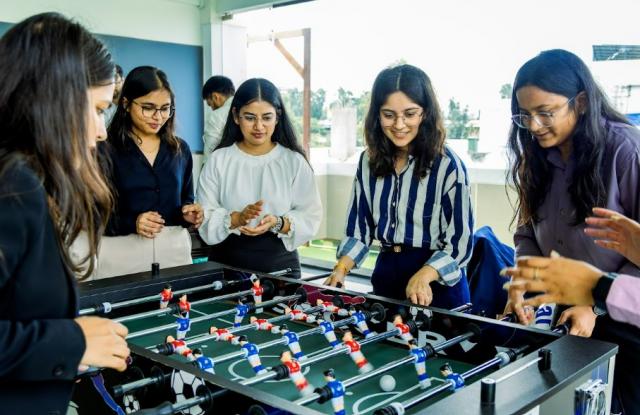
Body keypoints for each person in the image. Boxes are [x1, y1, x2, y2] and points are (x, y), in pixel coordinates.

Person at [0, 13, 130, 413]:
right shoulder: (13, 186)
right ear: (56, 101)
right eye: (98, 109)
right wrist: (74, 341)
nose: (102, 131)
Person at [504, 49, 640, 415]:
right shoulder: (535, 157)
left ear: (580, 102)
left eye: (545, 112)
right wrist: (525, 280)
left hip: (624, 319)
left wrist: (595, 304)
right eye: (524, 115)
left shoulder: (626, 150)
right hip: (563, 311)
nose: (533, 126)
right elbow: (527, 233)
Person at [324, 64, 474, 309]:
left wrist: (424, 275)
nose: (399, 124)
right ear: (377, 115)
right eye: (389, 115)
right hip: (387, 277)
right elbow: (359, 231)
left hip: (438, 288)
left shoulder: (448, 165)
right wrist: (341, 269)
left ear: (425, 113)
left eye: (410, 114)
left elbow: (460, 245)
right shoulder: (367, 161)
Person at [197, 78, 322, 279]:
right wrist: (236, 219)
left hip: (280, 268)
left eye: (266, 117)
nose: (259, 126)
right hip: (226, 266)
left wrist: (278, 222)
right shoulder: (218, 160)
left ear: (277, 117)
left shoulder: (293, 161)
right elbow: (204, 215)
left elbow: (311, 215)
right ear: (236, 116)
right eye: (250, 117)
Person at [104, 66, 203, 238]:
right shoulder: (106, 150)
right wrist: (133, 222)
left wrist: (188, 214)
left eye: (165, 108)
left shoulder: (180, 150)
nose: (158, 117)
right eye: (148, 108)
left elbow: (185, 201)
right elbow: (94, 215)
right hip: (123, 248)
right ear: (126, 104)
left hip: (172, 248)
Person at [504, 208, 640, 330]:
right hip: (558, 301)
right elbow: (526, 234)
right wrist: (517, 287)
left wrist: (593, 306)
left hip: (615, 316)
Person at [202, 75, 235, 165]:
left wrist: (203, 168)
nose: (212, 109)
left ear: (215, 97)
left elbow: (210, 151)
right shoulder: (245, 110)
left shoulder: (216, 116)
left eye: (210, 104)